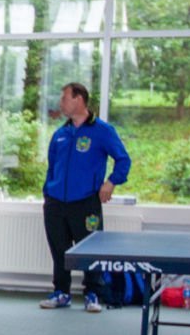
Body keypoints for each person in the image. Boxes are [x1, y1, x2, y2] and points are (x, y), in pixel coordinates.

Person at [39, 81, 132, 314]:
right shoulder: (60, 134)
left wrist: (111, 182)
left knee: (90, 250)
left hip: (86, 203)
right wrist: (48, 192)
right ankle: (61, 292)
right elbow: (52, 167)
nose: (61, 103)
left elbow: (123, 160)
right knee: (59, 250)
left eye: (64, 98)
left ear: (78, 99)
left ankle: (93, 293)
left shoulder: (102, 131)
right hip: (56, 203)